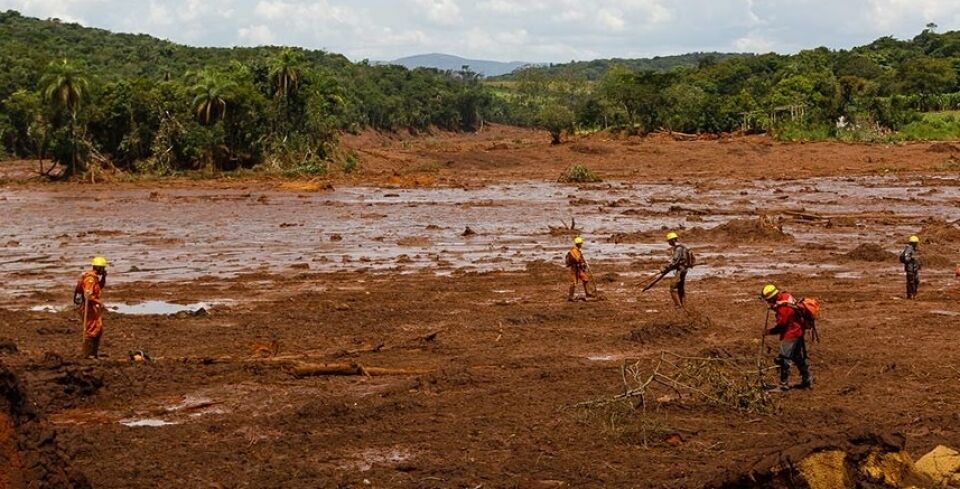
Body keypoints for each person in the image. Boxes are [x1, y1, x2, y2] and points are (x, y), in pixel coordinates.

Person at [761, 284, 812, 391]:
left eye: (769, 300)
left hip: (791, 333)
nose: (768, 302)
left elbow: (782, 325)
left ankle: (783, 385)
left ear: (773, 297)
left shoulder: (784, 308)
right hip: (798, 330)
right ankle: (807, 380)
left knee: (783, 359)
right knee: (797, 357)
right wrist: (774, 307)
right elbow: (782, 306)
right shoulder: (785, 296)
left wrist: (769, 332)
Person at [74, 256, 108, 358]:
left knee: (98, 328)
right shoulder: (90, 279)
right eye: (102, 268)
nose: (103, 270)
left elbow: (99, 287)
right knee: (91, 329)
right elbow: (88, 295)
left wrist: (104, 278)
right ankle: (87, 354)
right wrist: (99, 302)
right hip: (89, 307)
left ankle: (93, 353)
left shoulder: (95, 279)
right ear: (98, 267)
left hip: (93, 307)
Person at [662, 232, 691, 308]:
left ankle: (678, 305)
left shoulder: (678, 249)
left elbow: (675, 261)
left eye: (669, 241)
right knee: (681, 288)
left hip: (680, 270)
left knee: (672, 288)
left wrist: (666, 268)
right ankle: (684, 305)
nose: (668, 243)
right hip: (684, 269)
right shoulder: (683, 247)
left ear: (672, 240)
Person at [565, 236, 593, 302]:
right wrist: (581, 261)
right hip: (574, 269)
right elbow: (577, 259)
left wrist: (584, 265)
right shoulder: (573, 251)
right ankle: (570, 297)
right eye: (581, 243)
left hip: (579, 268)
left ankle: (587, 293)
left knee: (585, 279)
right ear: (578, 244)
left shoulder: (578, 251)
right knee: (574, 283)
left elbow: (581, 259)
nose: (581, 245)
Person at [899, 235, 921, 299]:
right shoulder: (909, 249)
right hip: (910, 268)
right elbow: (907, 259)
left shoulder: (913, 249)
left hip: (913, 268)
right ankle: (910, 295)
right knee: (911, 282)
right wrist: (912, 259)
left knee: (916, 281)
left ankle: (913, 294)